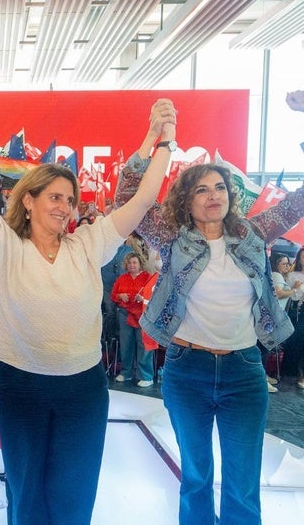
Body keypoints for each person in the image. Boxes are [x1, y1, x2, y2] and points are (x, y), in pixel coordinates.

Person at [0, 82, 176, 524]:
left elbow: (144, 198)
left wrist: (162, 137)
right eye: (55, 197)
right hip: (20, 388)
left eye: (70, 201)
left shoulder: (90, 242)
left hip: (82, 392)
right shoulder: (2, 245)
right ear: (28, 201)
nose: (66, 208)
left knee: (74, 496)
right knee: (27, 494)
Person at [115, 160, 304, 521]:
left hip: (244, 372)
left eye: (219, 187)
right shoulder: (173, 237)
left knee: (243, 481)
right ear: (186, 201)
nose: (212, 195)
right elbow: (129, 197)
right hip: (188, 371)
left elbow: (298, 202)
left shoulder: (253, 232)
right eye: (201, 189)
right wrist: (156, 139)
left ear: (230, 195)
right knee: (196, 477)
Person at [111, 251, 153, 386]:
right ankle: (126, 372)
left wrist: (143, 298)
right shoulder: (122, 278)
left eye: (134, 262)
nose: (132, 265)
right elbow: (113, 294)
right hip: (125, 314)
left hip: (143, 315)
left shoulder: (148, 278)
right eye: (129, 263)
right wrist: (120, 296)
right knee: (126, 344)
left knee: (143, 345)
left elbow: (155, 295)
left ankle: (146, 376)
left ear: (140, 263)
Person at [283, 247, 304, 388]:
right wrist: (296, 288)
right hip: (297, 311)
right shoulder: (293, 275)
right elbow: (289, 296)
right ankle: (293, 372)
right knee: (296, 341)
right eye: (303, 257)